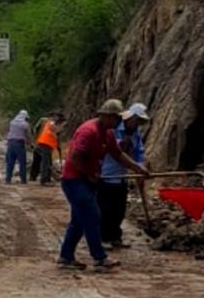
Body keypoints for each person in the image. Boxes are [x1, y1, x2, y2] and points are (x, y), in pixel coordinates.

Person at [58, 99, 149, 271]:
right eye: (117, 119)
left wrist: (138, 168)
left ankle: (66, 257)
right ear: (107, 117)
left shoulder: (107, 133)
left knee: (79, 220)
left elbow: (118, 155)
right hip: (74, 180)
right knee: (92, 216)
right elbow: (76, 157)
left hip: (86, 179)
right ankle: (99, 259)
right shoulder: (88, 131)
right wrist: (90, 174)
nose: (119, 122)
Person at [98, 103, 148, 249]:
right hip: (106, 174)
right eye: (136, 120)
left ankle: (115, 236)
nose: (137, 124)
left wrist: (140, 166)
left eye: (140, 122)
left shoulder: (135, 133)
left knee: (119, 209)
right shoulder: (113, 129)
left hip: (122, 176)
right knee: (104, 209)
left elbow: (139, 151)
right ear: (130, 117)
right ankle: (103, 237)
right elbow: (116, 151)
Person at [35, 113, 66, 185]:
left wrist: (58, 146)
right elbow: (53, 128)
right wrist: (59, 127)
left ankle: (47, 179)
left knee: (48, 162)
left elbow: (56, 137)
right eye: (63, 125)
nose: (63, 127)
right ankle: (43, 180)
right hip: (45, 143)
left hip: (47, 145)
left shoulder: (52, 124)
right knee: (45, 162)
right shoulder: (51, 123)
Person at [5, 110, 31, 184]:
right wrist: (30, 143)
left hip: (10, 143)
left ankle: (8, 179)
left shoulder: (12, 122)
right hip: (19, 144)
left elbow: (9, 131)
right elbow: (28, 135)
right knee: (22, 162)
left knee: (10, 162)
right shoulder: (25, 124)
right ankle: (23, 180)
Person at [29, 114, 51, 182]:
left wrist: (34, 140)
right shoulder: (50, 123)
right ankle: (46, 177)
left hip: (38, 143)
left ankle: (33, 176)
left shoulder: (42, 121)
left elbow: (35, 129)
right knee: (47, 161)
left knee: (36, 160)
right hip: (45, 144)